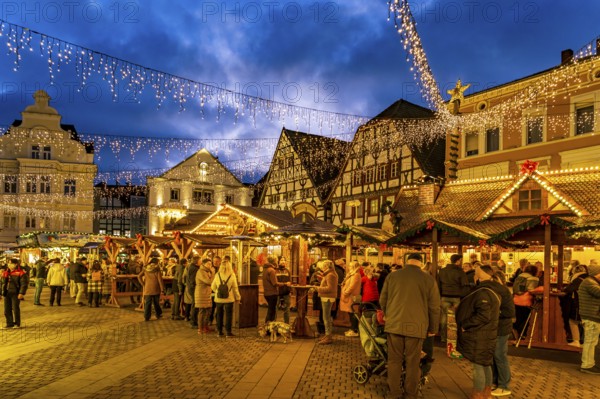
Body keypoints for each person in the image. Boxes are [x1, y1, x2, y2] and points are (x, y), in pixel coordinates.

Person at [380, 253, 440, 399]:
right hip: (416, 325)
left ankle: (394, 393)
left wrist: (388, 314)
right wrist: (433, 328)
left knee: (394, 360)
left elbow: (383, 299)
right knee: (413, 362)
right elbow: (434, 307)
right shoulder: (428, 279)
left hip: (394, 324)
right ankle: (411, 394)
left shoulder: (392, 276)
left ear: (407, 261)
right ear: (421, 262)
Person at [456, 265, 501, 399]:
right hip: (488, 334)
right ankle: (487, 393)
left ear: (479, 277)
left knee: (478, 366)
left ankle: (478, 393)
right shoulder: (494, 291)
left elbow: (483, 315)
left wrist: (465, 324)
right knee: (485, 363)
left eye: (475, 274)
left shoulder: (483, 292)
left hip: (479, 335)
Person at [489, 269, 515, 397]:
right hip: (497, 327)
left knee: (500, 356)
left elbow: (510, 312)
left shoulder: (504, 293)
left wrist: (495, 313)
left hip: (502, 327)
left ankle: (504, 385)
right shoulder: (500, 292)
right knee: (496, 355)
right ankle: (497, 382)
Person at [438, 254, 470, 343]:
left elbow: (438, 284)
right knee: (456, 317)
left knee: (444, 316)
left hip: (444, 296)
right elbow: (464, 284)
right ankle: (454, 337)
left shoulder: (442, 271)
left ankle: (443, 337)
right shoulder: (460, 271)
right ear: (458, 261)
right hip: (456, 297)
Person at [577, 262, 600, 374]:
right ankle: (587, 365)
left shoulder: (590, 282)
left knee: (591, 341)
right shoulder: (590, 283)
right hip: (591, 316)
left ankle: (589, 363)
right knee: (590, 341)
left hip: (592, 316)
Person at [210, 259, 241, 337]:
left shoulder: (218, 274)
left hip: (218, 298)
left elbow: (213, 286)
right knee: (228, 315)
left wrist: (218, 291)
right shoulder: (232, 275)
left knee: (219, 315)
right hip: (229, 298)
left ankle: (219, 332)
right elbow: (235, 288)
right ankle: (228, 332)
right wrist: (238, 298)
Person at [560, 264, 588, 347]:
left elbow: (569, 289)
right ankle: (587, 342)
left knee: (573, 321)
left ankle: (576, 341)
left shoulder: (578, 279)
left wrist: (563, 289)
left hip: (578, 303)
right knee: (585, 323)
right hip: (587, 304)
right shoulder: (588, 278)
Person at [315, 260, 338, 345]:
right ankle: (327, 334)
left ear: (327, 267)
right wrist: (322, 279)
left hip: (327, 298)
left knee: (326, 318)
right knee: (326, 317)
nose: (322, 268)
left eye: (324, 266)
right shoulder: (329, 274)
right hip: (327, 297)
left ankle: (328, 336)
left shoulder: (330, 275)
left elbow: (330, 288)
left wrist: (318, 288)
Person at [512, 265, 539, 338]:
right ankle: (523, 335)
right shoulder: (533, 278)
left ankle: (516, 332)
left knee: (518, 318)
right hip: (526, 301)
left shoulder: (519, 277)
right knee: (526, 319)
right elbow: (531, 289)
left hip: (516, 300)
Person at [1, 259, 29, 329]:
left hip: (15, 293)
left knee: (15, 308)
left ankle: (17, 323)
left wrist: (21, 293)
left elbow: (24, 284)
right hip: (6, 293)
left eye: (11, 263)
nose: (9, 265)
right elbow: (2, 283)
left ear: (16, 264)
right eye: (8, 263)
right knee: (7, 309)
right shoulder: (5, 272)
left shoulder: (21, 273)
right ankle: (9, 323)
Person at [340, 260, 361, 337]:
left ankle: (354, 330)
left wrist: (345, 292)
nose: (348, 267)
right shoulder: (351, 274)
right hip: (349, 297)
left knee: (353, 313)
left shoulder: (355, 275)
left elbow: (352, 286)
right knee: (350, 313)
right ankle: (352, 328)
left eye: (350, 266)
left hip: (351, 297)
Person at [195, 258, 215, 334]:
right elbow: (209, 282)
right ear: (204, 264)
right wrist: (213, 274)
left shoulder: (207, 271)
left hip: (207, 293)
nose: (210, 265)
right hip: (201, 294)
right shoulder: (201, 271)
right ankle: (200, 328)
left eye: (211, 264)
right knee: (202, 311)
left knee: (208, 310)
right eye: (208, 264)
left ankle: (205, 326)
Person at [183, 256, 201, 328]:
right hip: (193, 289)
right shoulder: (194, 269)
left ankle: (193, 321)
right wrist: (195, 288)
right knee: (195, 305)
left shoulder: (191, 267)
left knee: (194, 304)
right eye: (200, 260)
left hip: (191, 288)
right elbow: (193, 280)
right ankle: (193, 322)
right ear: (197, 261)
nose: (201, 262)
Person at [262, 256, 279, 323]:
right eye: (277, 260)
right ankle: (268, 325)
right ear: (274, 262)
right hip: (272, 293)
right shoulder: (271, 270)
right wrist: (285, 284)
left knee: (270, 309)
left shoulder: (265, 269)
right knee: (271, 310)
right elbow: (274, 283)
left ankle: (268, 325)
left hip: (266, 293)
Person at [275, 256, 292, 324]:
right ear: (278, 262)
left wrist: (290, 291)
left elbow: (289, 281)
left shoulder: (287, 271)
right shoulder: (275, 271)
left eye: (284, 260)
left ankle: (287, 325)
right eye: (281, 260)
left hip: (286, 293)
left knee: (287, 310)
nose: (283, 261)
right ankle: (274, 325)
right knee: (275, 309)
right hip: (277, 293)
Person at [209, 255, 222, 325]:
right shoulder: (211, 269)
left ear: (220, 262)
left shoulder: (221, 269)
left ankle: (218, 321)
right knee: (212, 306)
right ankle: (210, 320)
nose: (215, 262)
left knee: (219, 306)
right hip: (212, 290)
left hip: (219, 289)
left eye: (216, 261)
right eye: (214, 261)